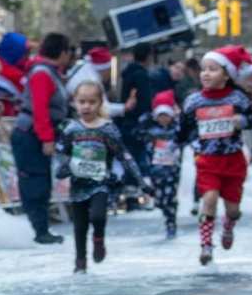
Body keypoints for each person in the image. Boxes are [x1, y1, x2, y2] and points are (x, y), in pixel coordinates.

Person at [178, 45, 252, 265]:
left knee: (233, 210)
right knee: (209, 199)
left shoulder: (237, 98)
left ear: (226, 75)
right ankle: (206, 245)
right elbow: (183, 129)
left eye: (212, 69)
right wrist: (191, 141)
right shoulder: (193, 101)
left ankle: (228, 227)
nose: (205, 73)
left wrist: (238, 121)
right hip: (207, 159)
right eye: (203, 69)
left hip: (233, 160)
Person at [55, 81, 146, 273]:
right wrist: (63, 168)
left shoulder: (107, 129)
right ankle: (80, 262)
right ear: (74, 103)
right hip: (78, 184)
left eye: (91, 102)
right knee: (79, 226)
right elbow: (62, 153)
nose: (86, 106)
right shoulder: (71, 129)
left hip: (100, 183)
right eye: (82, 102)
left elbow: (124, 155)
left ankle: (98, 238)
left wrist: (140, 181)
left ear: (100, 103)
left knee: (97, 216)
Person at [10, 32, 73, 244]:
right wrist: (46, 138)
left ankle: (41, 228)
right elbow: (40, 110)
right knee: (36, 182)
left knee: (42, 181)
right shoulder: (42, 74)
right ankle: (40, 231)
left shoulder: (50, 72)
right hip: (31, 136)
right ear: (62, 52)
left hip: (36, 135)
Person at [139, 90, 182, 238]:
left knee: (170, 197)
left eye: (166, 115)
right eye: (160, 116)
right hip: (155, 170)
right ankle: (165, 211)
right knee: (159, 198)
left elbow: (187, 130)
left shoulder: (176, 129)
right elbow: (138, 131)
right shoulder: (150, 130)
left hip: (172, 170)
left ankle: (171, 222)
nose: (164, 119)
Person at [119, 42, 155, 175]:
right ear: (148, 56)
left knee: (129, 158)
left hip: (126, 120)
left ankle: (129, 187)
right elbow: (145, 102)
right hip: (137, 124)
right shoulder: (141, 75)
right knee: (138, 158)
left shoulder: (127, 73)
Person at [66, 46, 134, 118]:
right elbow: (103, 109)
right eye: (110, 70)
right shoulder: (92, 81)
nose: (110, 74)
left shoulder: (84, 67)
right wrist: (125, 107)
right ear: (104, 68)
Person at [0, 31, 30, 116]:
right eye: (24, 52)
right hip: (7, 118)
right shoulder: (15, 75)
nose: (27, 56)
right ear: (16, 52)